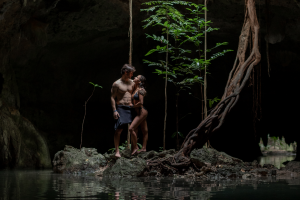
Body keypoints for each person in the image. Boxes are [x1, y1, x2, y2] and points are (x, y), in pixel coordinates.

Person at [111, 64, 136, 158]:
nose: (132, 75)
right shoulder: (116, 84)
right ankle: (117, 151)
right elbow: (112, 97)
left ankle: (135, 149)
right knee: (119, 130)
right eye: (131, 73)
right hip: (121, 107)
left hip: (131, 108)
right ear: (126, 72)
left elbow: (138, 92)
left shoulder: (133, 82)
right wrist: (114, 110)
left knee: (134, 128)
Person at [129, 75, 148, 155]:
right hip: (138, 112)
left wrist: (132, 106)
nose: (134, 77)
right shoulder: (135, 88)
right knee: (145, 130)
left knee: (131, 129)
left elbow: (141, 103)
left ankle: (136, 146)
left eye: (136, 77)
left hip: (142, 111)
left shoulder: (140, 90)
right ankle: (143, 148)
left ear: (139, 81)